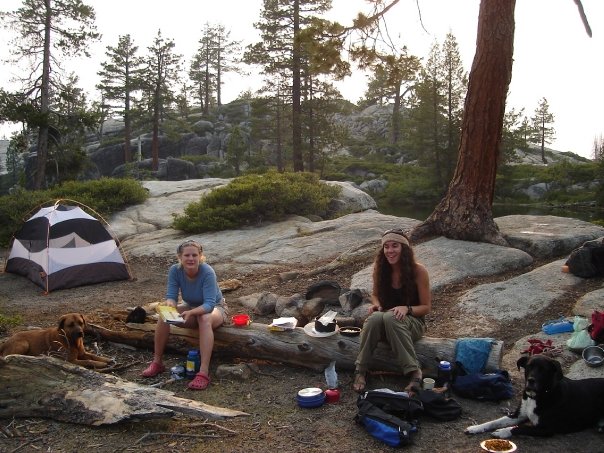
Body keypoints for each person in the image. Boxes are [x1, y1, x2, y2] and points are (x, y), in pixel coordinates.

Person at [353, 228, 431, 394]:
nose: (390, 251)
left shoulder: (419, 271)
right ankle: (361, 370)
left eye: (395, 246)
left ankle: (414, 371)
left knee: (390, 318)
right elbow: (374, 295)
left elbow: (426, 307)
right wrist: (377, 305)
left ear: (404, 248)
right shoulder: (381, 269)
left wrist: (407, 308)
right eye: (386, 247)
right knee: (375, 318)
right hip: (386, 319)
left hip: (412, 323)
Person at [141, 240, 228, 390]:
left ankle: (203, 371)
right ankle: (157, 362)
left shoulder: (207, 272)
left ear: (200, 256)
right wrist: (170, 305)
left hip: (216, 309)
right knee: (164, 314)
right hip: (190, 307)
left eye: (194, 255)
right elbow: (171, 296)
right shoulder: (175, 270)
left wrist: (192, 312)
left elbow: (209, 304)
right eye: (187, 255)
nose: (191, 258)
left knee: (204, 317)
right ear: (180, 257)